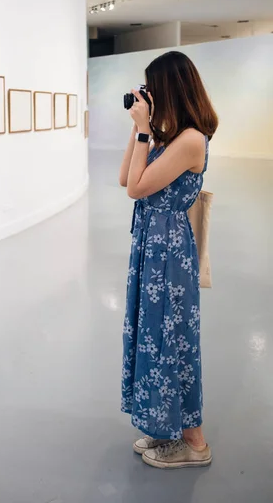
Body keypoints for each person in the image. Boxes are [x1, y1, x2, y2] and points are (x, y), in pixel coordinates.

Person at [119, 51, 218, 470]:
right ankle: (166, 428)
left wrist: (145, 130)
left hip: (169, 253)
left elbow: (136, 189)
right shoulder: (167, 136)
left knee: (172, 341)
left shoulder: (192, 140)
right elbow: (126, 176)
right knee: (152, 338)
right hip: (149, 247)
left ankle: (194, 443)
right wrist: (139, 130)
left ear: (171, 89)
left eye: (153, 88)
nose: (148, 95)